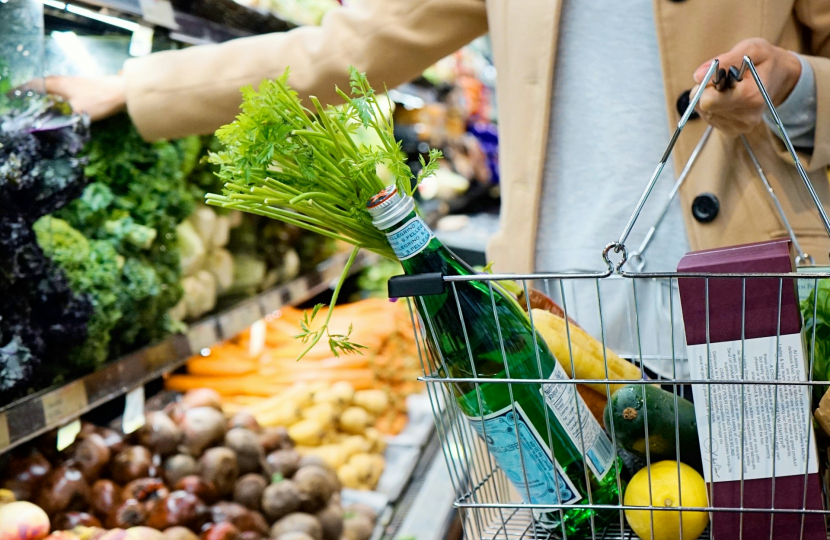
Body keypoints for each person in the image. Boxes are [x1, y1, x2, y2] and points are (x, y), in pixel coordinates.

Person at [42, 0, 830, 376]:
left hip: (758, 297)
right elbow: (347, 49)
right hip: (555, 308)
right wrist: (140, 88)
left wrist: (794, 92)